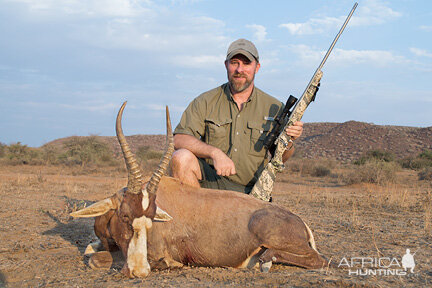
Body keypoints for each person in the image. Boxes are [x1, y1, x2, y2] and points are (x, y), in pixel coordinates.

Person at [171, 38, 303, 195]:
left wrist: (289, 141)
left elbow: (280, 158)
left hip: (251, 191)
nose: (239, 69)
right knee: (180, 158)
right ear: (226, 65)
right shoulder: (205, 101)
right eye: (234, 62)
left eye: (246, 63)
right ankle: (194, 217)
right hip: (210, 184)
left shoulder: (274, 107)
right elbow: (179, 139)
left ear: (257, 67)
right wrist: (214, 153)